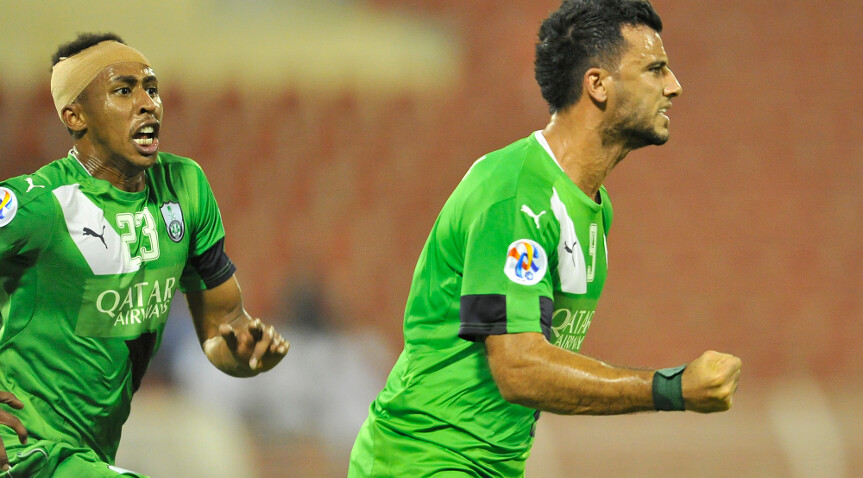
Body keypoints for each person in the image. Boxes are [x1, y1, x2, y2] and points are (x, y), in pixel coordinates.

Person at [348, 1, 742, 476]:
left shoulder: (594, 206)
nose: (674, 85)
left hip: (486, 465)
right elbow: (518, 369)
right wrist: (670, 389)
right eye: (655, 69)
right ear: (597, 84)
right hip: (422, 460)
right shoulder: (517, 194)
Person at [0, 32, 289, 477]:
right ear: (75, 115)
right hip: (24, 449)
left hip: (91, 452)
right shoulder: (39, 203)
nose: (147, 103)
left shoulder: (185, 187)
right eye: (123, 91)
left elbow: (223, 324)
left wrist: (243, 354)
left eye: (151, 88)